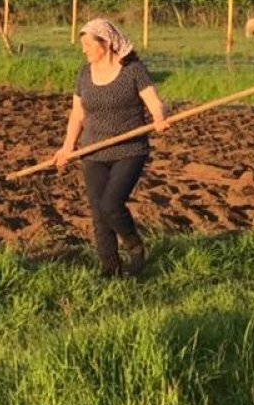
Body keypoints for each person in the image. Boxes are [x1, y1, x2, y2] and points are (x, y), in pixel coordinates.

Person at [53, 18, 168, 277]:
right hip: (92, 151)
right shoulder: (84, 74)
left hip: (129, 150)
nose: (83, 49)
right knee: (98, 212)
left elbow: (154, 101)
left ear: (106, 43)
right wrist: (66, 148)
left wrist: (159, 118)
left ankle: (134, 246)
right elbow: (77, 115)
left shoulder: (133, 70)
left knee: (111, 205)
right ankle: (110, 268)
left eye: (87, 44)